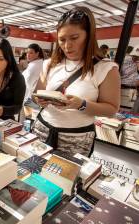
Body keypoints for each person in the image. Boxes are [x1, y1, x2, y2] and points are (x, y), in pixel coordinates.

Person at [33, 6, 120, 157]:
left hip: (76, 139)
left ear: (89, 36)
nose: (67, 46)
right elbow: (36, 94)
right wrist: (39, 100)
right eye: (62, 39)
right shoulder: (50, 63)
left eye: (74, 38)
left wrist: (81, 104)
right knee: (32, 175)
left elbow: (111, 109)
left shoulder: (105, 68)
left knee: (65, 179)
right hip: (42, 127)